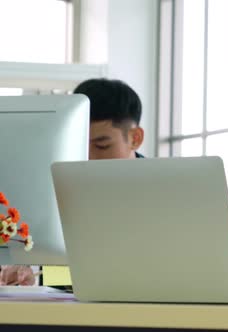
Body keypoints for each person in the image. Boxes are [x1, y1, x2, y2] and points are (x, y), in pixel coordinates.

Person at [0, 78, 145, 286]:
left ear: (135, 138)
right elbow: (42, 248)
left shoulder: (161, 195)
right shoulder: (54, 187)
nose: (89, 156)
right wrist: (24, 264)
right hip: (63, 306)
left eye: (102, 146)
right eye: (80, 143)